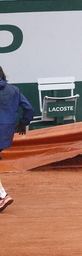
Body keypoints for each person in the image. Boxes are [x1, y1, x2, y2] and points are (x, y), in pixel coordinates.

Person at [0, 66, 35, 212]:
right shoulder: (14, 90)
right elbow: (29, 109)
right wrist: (22, 123)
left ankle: (3, 196)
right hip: (7, 132)